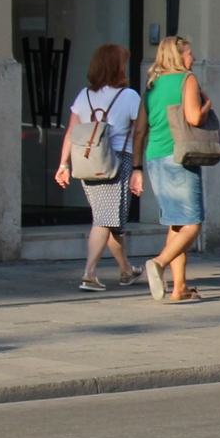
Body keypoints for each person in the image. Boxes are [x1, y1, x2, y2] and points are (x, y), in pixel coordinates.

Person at [54, 44, 143, 292]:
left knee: (111, 220)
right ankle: (89, 272)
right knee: (104, 220)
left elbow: (71, 133)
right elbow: (139, 132)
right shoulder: (129, 96)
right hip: (116, 163)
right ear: (117, 67)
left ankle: (125, 269)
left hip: (87, 163)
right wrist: (138, 167)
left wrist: (64, 164)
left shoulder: (84, 96)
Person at [139, 36, 211, 303]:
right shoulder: (186, 80)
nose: (192, 58)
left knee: (176, 223)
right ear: (178, 57)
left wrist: (136, 166)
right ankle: (158, 262)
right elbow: (193, 117)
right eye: (190, 53)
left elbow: (139, 130)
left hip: (155, 157)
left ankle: (179, 287)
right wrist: (206, 106)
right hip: (180, 155)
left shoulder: (152, 85)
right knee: (193, 223)